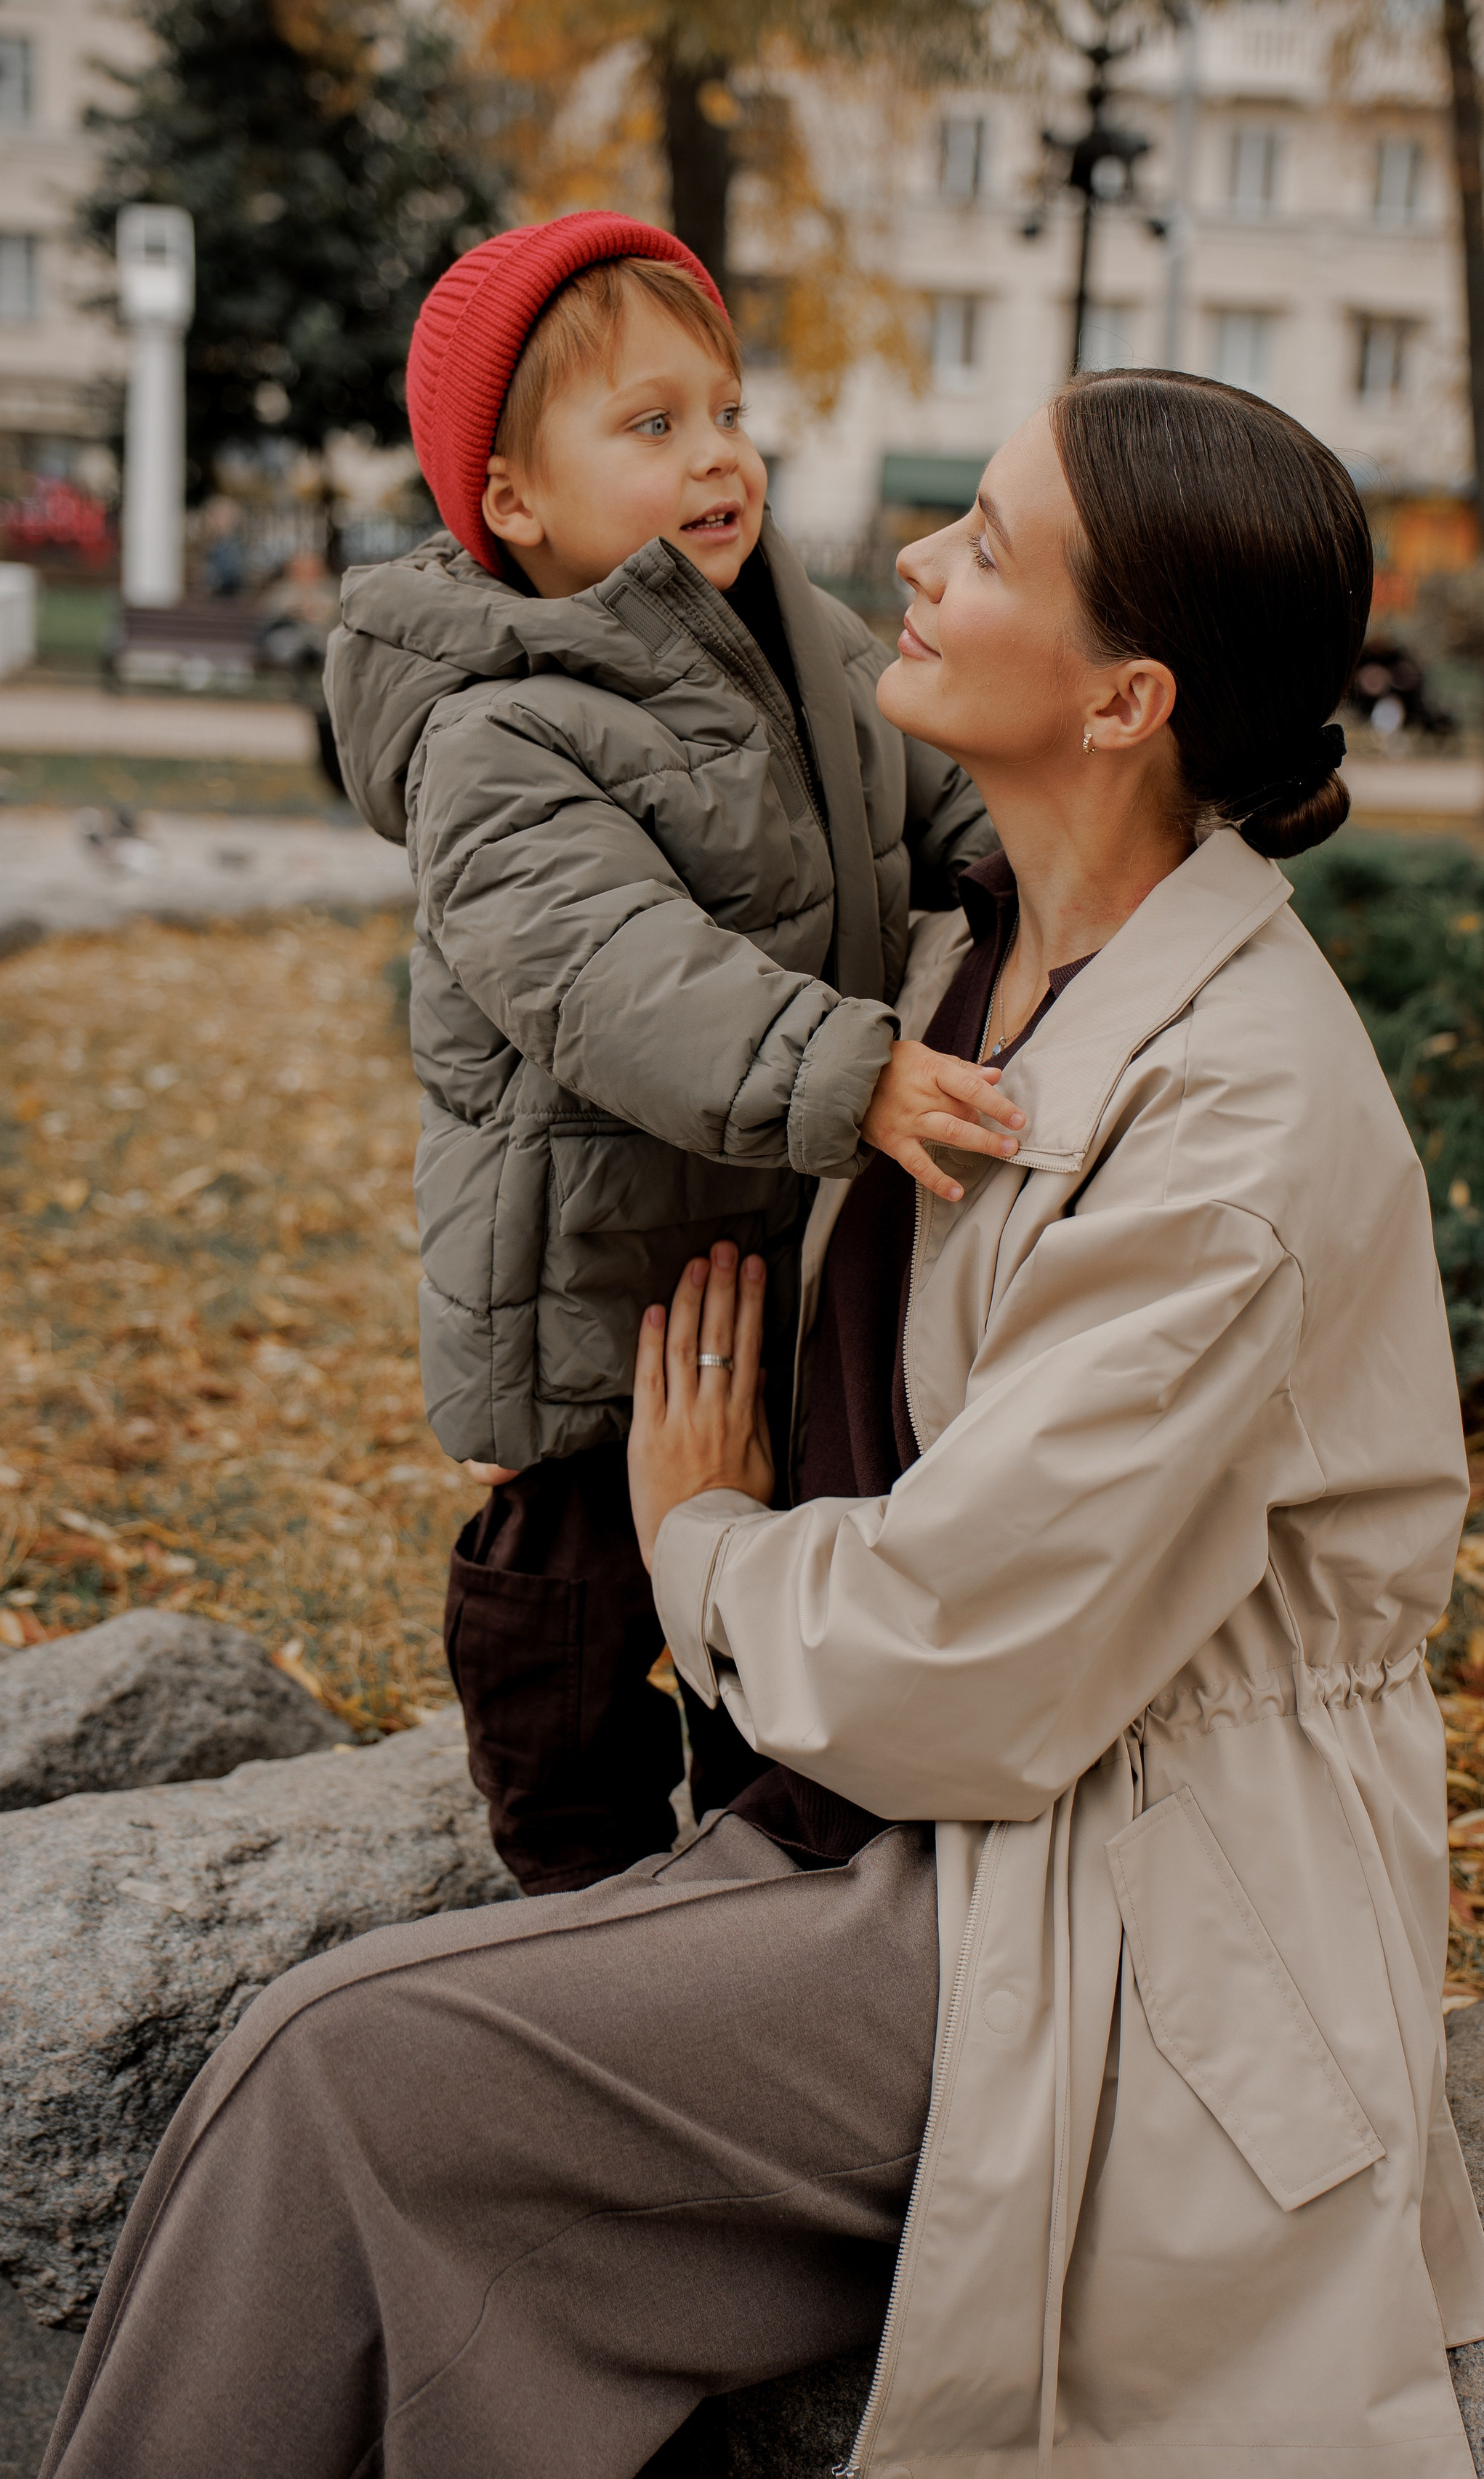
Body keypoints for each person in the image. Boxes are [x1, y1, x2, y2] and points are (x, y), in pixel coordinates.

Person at [43, 371, 1484, 2479]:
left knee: (332, 2065)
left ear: (1124, 703)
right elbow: (595, 879)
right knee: (350, 2105)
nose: (909, 556)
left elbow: (960, 1666)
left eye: (984, 544)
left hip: (1110, 1896)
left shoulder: (1236, 1133)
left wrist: (697, 1536)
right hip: (914, 1826)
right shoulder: (961, 950)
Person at [323, 212, 1012, 1895]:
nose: (716, 455)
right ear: (512, 502)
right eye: (650, 424)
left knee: (762, 1608)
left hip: (776, 1250)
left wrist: (1032, 866)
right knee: (568, 1616)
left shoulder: (803, 641)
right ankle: (573, 1883)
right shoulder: (496, 731)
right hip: (588, 1289)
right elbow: (619, 974)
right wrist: (851, 1070)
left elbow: (938, 797)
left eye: (726, 412)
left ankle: (748, 1878)